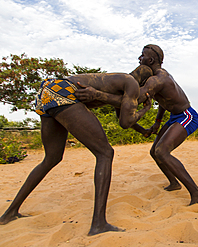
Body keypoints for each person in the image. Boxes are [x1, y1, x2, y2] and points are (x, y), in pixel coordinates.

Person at [0, 65, 153, 236]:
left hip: (48, 92)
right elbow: (126, 121)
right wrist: (145, 108)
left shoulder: (122, 83)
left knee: (51, 158)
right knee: (105, 153)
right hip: (65, 93)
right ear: (144, 83)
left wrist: (143, 131)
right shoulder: (131, 83)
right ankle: (99, 224)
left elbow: (121, 117)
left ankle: (10, 213)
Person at [76, 45, 198, 208]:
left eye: (141, 56)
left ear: (151, 60)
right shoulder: (157, 77)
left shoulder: (156, 80)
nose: (139, 59)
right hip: (175, 116)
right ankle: (174, 182)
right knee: (154, 152)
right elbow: (163, 101)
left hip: (187, 116)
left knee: (162, 151)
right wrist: (157, 122)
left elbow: (132, 101)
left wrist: (98, 95)